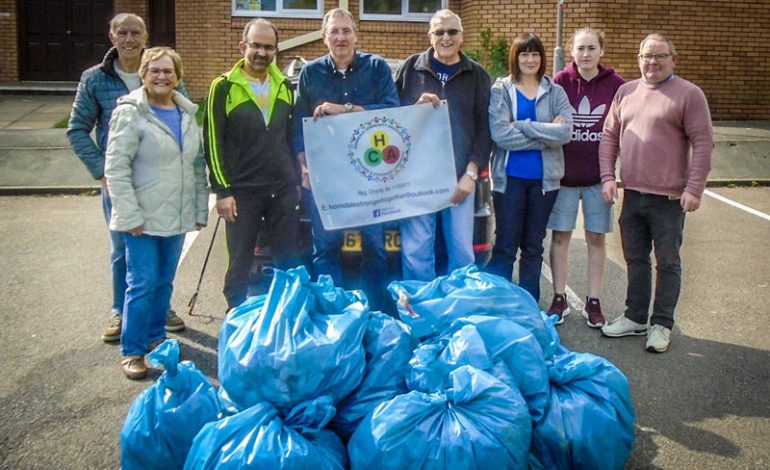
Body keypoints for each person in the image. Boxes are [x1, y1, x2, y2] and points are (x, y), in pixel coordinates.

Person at [68, 13, 188, 343]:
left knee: (163, 251)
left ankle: (159, 311)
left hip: (162, 180)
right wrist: (102, 171)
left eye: (136, 32)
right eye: (123, 32)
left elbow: (184, 117)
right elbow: (77, 128)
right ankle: (120, 311)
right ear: (112, 36)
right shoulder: (95, 79)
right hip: (120, 181)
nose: (130, 38)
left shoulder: (161, 71)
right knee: (124, 249)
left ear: (145, 35)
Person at [599, 33, 713, 353]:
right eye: (646, 55)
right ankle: (636, 317)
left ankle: (661, 324)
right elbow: (609, 137)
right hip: (633, 193)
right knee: (635, 259)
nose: (652, 62)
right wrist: (608, 177)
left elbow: (703, 143)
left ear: (674, 59)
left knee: (668, 263)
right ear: (639, 59)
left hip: (669, 198)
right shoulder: (626, 92)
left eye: (660, 56)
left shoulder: (689, 95)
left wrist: (694, 188)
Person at [104, 47, 209, 379]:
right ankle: (132, 351)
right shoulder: (130, 112)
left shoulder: (186, 113)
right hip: (142, 218)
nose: (162, 76)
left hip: (176, 216)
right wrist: (129, 214)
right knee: (142, 283)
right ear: (143, 74)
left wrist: (198, 207)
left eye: (168, 71)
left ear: (177, 76)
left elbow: (195, 166)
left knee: (164, 282)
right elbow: (116, 169)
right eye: (155, 71)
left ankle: (155, 337)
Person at [294, 8, 399, 310]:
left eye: (346, 31)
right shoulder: (310, 74)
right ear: (324, 36)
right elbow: (298, 124)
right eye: (334, 31)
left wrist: (344, 108)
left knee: (376, 247)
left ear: (356, 34)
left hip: (370, 175)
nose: (341, 37)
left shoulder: (377, 67)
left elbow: (391, 111)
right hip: (325, 176)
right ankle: (334, 311)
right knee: (325, 247)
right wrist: (303, 166)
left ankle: (374, 311)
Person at [204, 18, 299, 310]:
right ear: (243, 45)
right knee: (241, 260)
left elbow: (290, 137)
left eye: (268, 47)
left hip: (281, 190)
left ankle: (286, 314)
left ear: (276, 51)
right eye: (256, 45)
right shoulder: (223, 87)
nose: (262, 52)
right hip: (243, 191)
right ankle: (235, 315)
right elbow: (212, 141)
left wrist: (295, 179)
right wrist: (222, 191)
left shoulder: (284, 85)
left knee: (287, 260)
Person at [394, 9, 492, 281]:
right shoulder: (411, 68)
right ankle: (420, 313)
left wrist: (471, 175)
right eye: (439, 32)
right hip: (416, 178)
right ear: (430, 36)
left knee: (462, 252)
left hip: (459, 177)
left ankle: (457, 312)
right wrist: (415, 109)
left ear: (462, 36)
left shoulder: (477, 75)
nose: (446, 37)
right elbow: (390, 120)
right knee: (415, 252)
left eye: (452, 31)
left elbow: (485, 131)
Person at [546, 28, 625, 327]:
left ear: (601, 51)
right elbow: (547, 119)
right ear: (572, 51)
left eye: (592, 48)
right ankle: (558, 297)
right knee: (561, 237)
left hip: (597, 177)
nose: (586, 54)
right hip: (564, 178)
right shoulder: (560, 82)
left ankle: (594, 300)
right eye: (581, 48)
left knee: (595, 238)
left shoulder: (617, 86)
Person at [486, 32, 572, 304]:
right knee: (505, 247)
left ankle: (529, 307)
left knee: (533, 248)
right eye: (525, 53)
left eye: (535, 54)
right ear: (516, 57)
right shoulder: (501, 89)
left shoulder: (555, 91)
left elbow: (565, 133)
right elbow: (500, 135)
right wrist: (546, 136)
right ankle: (499, 306)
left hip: (544, 183)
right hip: (508, 180)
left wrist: (522, 125)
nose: (531, 59)